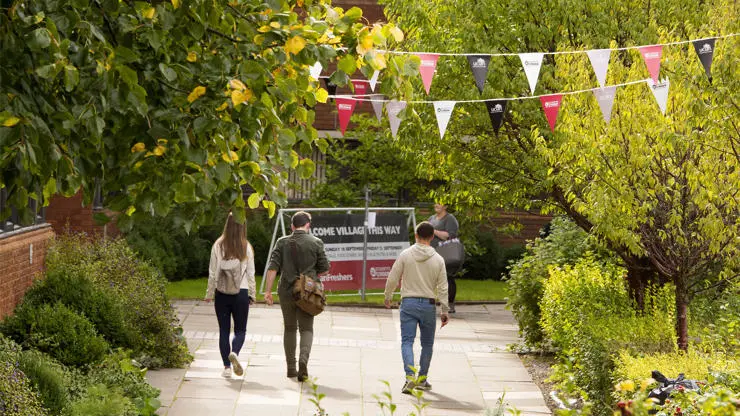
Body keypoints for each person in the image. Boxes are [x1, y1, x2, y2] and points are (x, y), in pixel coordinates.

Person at [263, 211, 330, 382]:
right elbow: (324, 268)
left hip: (286, 290)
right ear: (308, 225)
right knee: (306, 329)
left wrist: (268, 291)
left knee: (290, 328)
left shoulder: (282, 242)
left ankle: (291, 368)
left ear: (292, 226)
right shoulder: (316, 242)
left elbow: (273, 268)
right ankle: (303, 360)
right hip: (307, 292)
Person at [384, 221, 449, 394]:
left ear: (416, 235)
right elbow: (443, 287)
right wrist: (444, 310)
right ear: (432, 237)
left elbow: (393, 276)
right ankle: (422, 379)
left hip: (409, 303)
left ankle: (409, 377)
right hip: (428, 305)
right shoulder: (439, 259)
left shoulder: (405, 255)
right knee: (427, 344)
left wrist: (388, 296)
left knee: (407, 341)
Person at [204, 213, 256, 378]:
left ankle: (226, 367)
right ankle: (235, 352)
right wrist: (253, 294)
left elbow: (213, 272)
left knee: (224, 330)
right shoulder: (246, 246)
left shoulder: (218, 245)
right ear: (243, 226)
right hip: (241, 292)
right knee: (240, 330)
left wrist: (209, 293)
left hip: (222, 293)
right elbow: (251, 273)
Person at [428, 203, 460, 313]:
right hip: (431, 253)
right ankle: (430, 302)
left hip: (445, 253)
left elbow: (449, 235)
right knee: (430, 278)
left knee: (448, 278)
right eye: (435, 202)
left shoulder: (450, 219)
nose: (436, 205)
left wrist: (433, 231)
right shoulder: (431, 218)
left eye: (439, 203)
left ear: (445, 206)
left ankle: (450, 304)